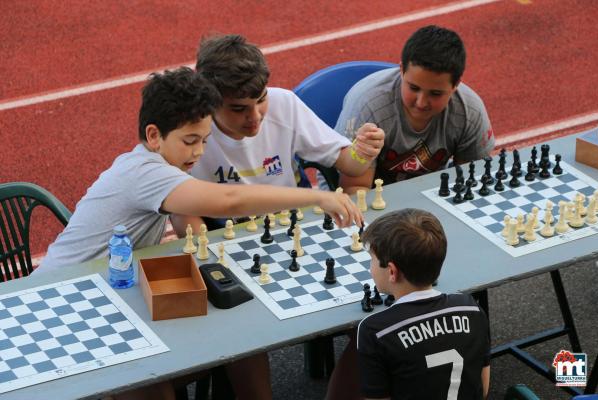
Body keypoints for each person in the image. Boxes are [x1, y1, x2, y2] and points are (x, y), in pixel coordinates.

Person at [37, 67, 363, 400]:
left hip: (114, 287)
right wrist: (320, 196)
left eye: (205, 141)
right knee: (151, 382)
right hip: (65, 298)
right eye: (190, 141)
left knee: (238, 338)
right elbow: (230, 200)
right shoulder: (145, 173)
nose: (198, 152)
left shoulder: (153, 166)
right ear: (153, 136)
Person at [171, 34, 384, 236]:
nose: (255, 116)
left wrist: (361, 153)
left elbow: (350, 165)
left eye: (262, 100)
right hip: (223, 230)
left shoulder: (284, 104)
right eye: (239, 109)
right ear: (210, 102)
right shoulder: (188, 131)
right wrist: (206, 250)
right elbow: (180, 208)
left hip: (293, 221)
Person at [327, 208, 490, 400]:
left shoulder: (375, 330)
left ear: (392, 271)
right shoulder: (470, 308)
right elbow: (484, 388)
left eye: (372, 259)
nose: (370, 265)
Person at [335, 25, 495, 194]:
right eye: (413, 88)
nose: (421, 102)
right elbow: (354, 189)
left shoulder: (470, 111)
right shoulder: (369, 106)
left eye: (435, 93)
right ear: (402, 70)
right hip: (370, 196)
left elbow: (471, 179)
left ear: (455, 85)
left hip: (430, 194)